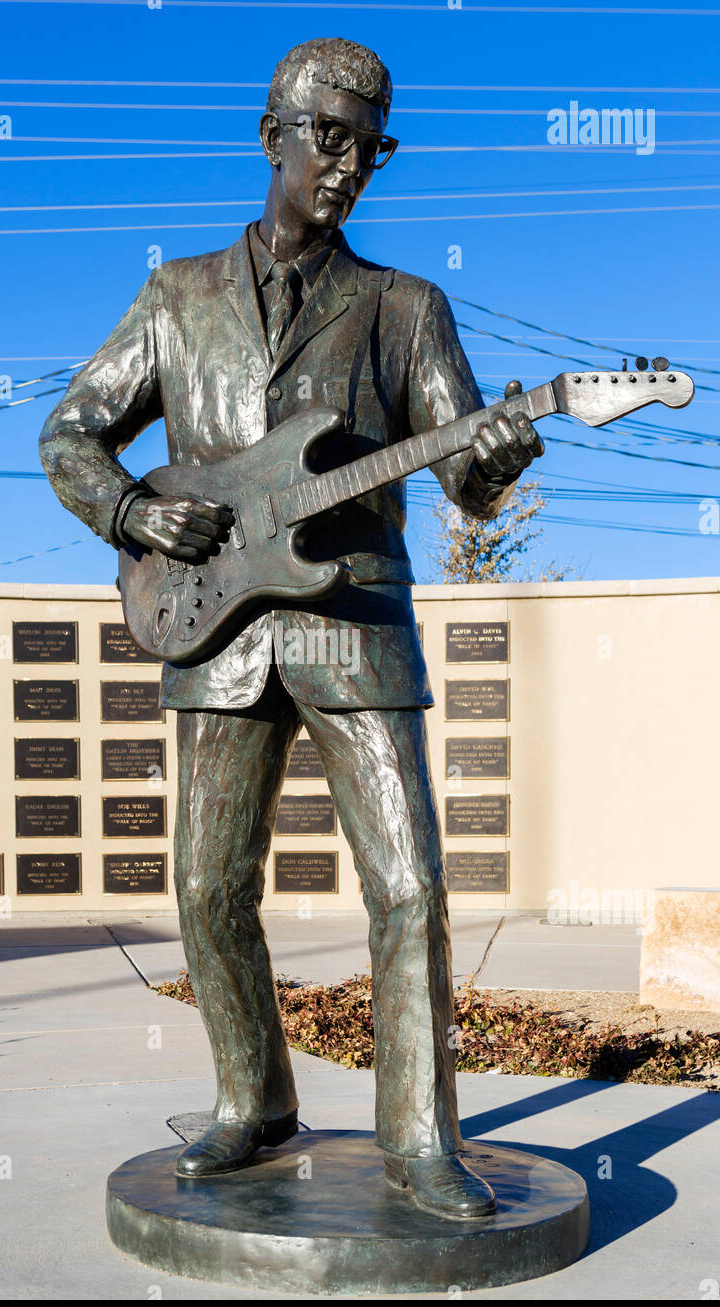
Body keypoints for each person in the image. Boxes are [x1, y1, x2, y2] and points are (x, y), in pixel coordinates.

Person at [39, 36, 543, 1219]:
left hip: (355, 623)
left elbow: (464, 475)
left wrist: (497, 466)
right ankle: (253, 1099)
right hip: (215, 630)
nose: (348, 163)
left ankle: (420, 1139)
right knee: (209, 887)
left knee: (411, 886)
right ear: (272, 134)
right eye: (329, 136)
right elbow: (71, 433)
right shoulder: (177, 299)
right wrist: (136, 512)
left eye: (370, 145)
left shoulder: (408, 309)